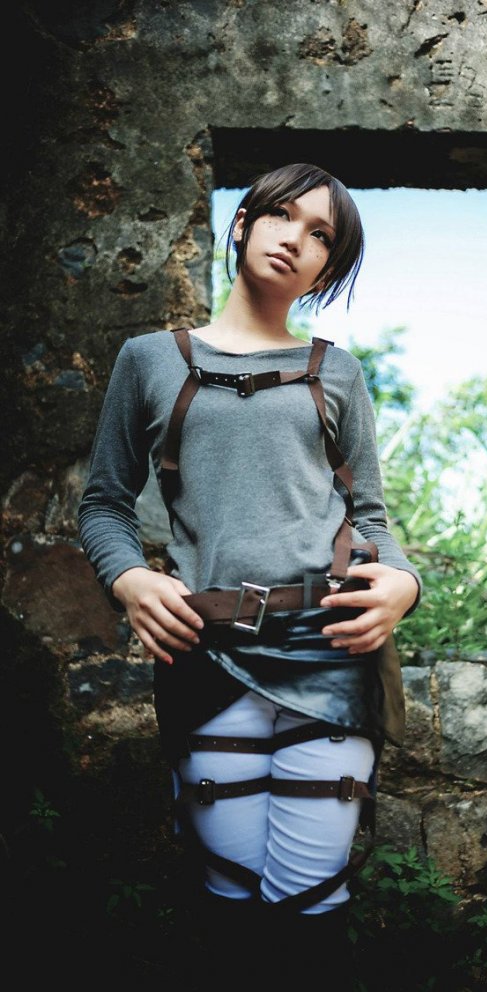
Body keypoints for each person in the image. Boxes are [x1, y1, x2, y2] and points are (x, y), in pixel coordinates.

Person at [78, 162, 422, 990]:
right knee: (228, 901)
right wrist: (130, 580)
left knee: (310, 904)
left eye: (320, 235)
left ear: (327, 268)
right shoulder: (149, 360)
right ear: (242, 224)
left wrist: (403, 584)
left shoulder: (337, 371)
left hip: (328, 653)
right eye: (281, 216)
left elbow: (372, 521)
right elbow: (103, 506)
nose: (295, 239)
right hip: (206, 657)